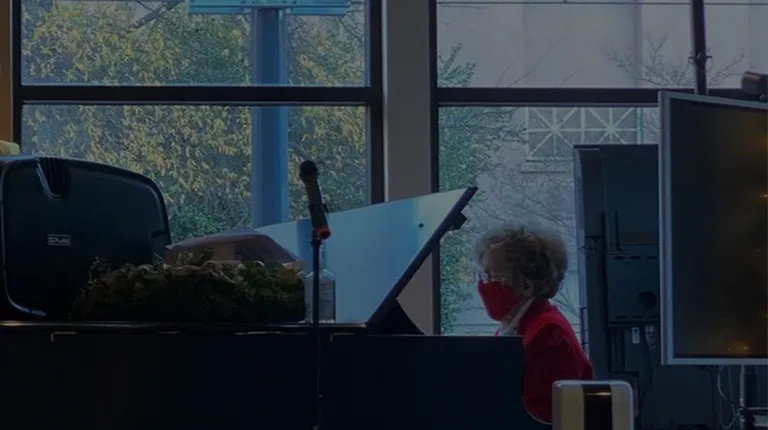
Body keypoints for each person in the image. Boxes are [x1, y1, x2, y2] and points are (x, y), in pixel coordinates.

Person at [474, 224, 594, 424]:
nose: (482, 284)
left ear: (526, 285)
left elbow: (545, 415)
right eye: (482, 275)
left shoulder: (550, 333)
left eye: (490, 276)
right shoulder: (516, 327)